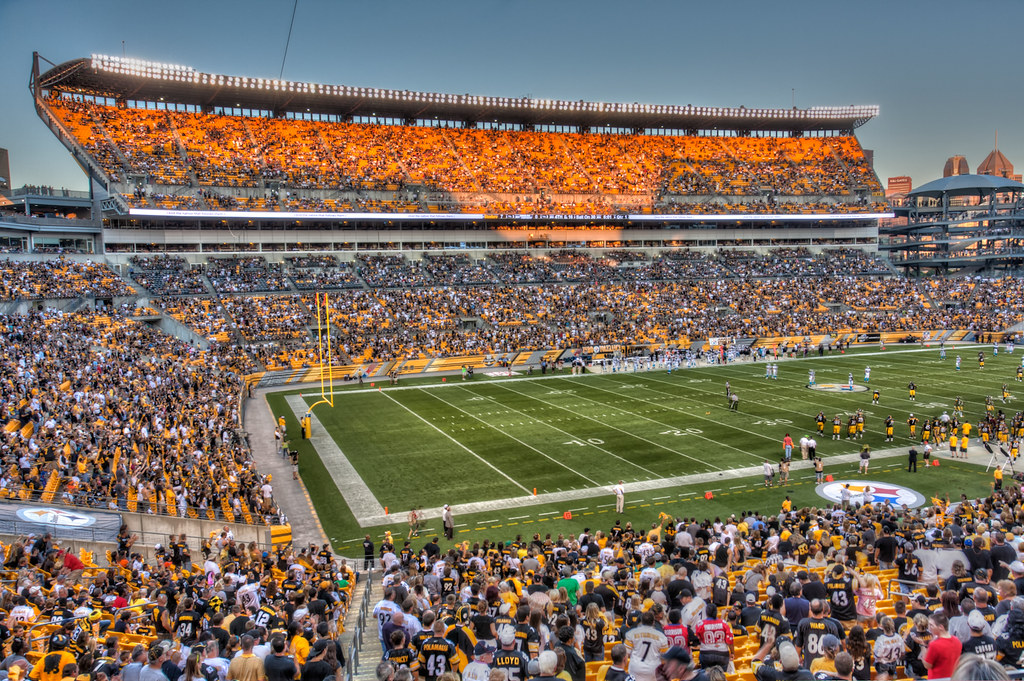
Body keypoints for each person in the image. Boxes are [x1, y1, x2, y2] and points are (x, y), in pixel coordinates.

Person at [923, 612, 961, 680]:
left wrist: (922, 647)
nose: (929, 628)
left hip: (937, 678)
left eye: (931, 625)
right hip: (954, 677)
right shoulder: (957, 641)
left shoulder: (934, 644)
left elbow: (927, 665)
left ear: (941, 627)